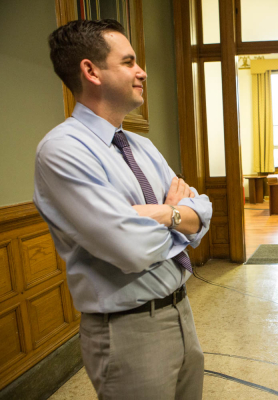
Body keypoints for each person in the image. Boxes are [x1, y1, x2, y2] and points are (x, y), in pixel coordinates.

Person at [34, 19, 211, 399]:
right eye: (129, 62)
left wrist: (165, 213)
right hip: (129, 330)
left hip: (181, 313)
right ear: (90, 71)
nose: (142, 72)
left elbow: (203, 211)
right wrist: (181, 217)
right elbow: (130, 249)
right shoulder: (63, 151)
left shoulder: (140, 145)